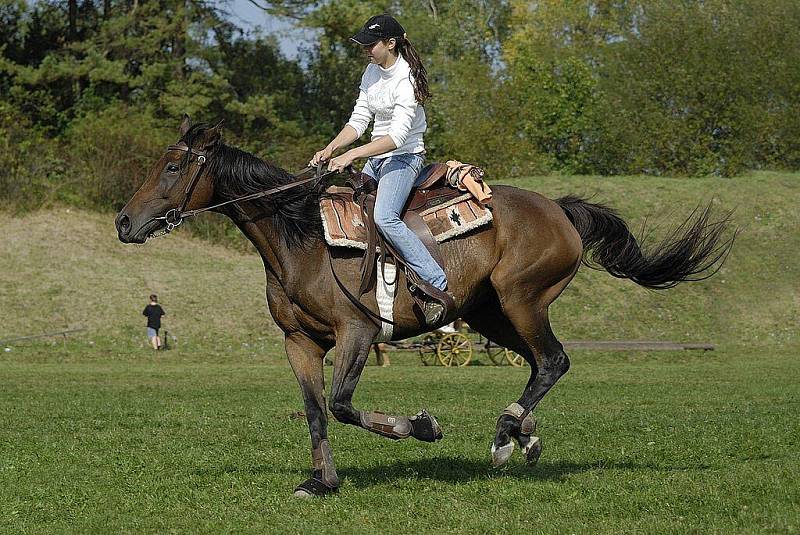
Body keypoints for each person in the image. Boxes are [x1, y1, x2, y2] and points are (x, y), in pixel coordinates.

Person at [310, 13, 452, 326]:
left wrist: (351, 155)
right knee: (343, 206)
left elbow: (397, 137)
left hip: (404, 158)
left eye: (371, 44)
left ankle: (434, 283)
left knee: (384, 216)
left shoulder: (407, 78)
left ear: (390, 44)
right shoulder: (371, 73)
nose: (366, 50)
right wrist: (332, 148)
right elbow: (359, 120)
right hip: (377, 158)